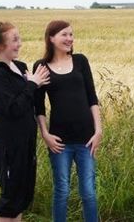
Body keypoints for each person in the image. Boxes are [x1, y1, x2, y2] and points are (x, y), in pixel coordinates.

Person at [0, 22, 50, 221]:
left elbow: (30, 101)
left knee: (22, 195)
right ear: (0, 46)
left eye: (19, 38)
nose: (20, 43)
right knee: (10, 196)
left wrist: (34, 84)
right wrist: (32, 84)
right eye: (15, 40)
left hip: (25, 141)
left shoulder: (19, 67)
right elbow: (13, 108)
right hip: (9, 145)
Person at [33, 20, 103, 222]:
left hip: (86, 139)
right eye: (64, 34)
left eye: (71, 35)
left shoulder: (81, 61)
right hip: (59, 142)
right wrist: (45, 134)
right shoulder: (42, 66)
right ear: (51, 38)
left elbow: (92, 97)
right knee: (61, 190)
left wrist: (98, 130)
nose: (70, 39)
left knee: (88, 191)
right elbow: (38, 106)